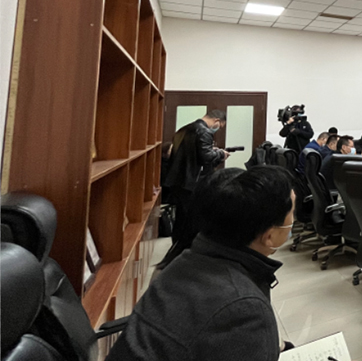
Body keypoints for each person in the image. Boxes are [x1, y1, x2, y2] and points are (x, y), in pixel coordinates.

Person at [107, 166, 296, 361]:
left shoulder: (185, 260)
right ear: (270, 236)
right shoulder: (244, 309)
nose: (294, 221)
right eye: (292, 213)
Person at [162, 111, 229, 255]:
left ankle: (178, 249)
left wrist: (210, 151)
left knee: (181, 219)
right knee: (193, 219)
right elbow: (206, 158)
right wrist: (220, 154)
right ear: (216, 120)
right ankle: (189, 251)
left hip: (178, 180)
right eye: (220, 126)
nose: (218, 129)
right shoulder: (204, 132)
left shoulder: (183, 130)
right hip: (193, 182)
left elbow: (191, 153)